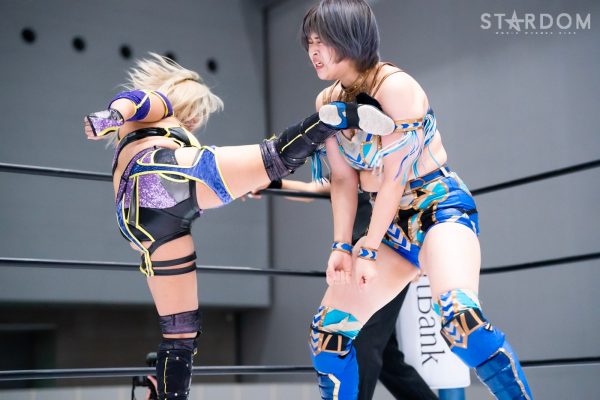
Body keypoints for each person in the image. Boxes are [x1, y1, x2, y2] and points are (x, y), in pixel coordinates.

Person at [83, 53, 394, 400]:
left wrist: (114, 119)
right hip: (161, 175)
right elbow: (139, 100)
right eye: (198, 115)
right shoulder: (161, 109)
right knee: (274, 156)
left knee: (180, 335)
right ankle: (336, 118)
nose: (196, 124)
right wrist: (110, 116)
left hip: (144, 225)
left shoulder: (132, 137)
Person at [301, 1, 533, 399]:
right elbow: (342, 179)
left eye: (321, 40)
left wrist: (367, 248)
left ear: (349, 37)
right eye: (309, 41)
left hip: (438, 210)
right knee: (328, 338)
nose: (313, 51)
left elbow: (394, 177)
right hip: (391, 227)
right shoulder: (327, 102)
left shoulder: (394, 86)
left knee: (462, 323)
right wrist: (340, 246)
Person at [256, 178, 437, 399]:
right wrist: (273, 183)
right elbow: (314, 189)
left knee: (364, 345)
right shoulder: (345, 169)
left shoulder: (387, 165)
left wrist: (421, 255)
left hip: (384, 258)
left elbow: (413, 197)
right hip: (359, 261)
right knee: (385, 356)